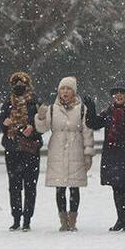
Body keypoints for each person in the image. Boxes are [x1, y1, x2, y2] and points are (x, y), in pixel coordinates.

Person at [84, 81, 125, 232]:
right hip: (112, 154)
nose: (118, 95)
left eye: (122, 92)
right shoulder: (109, 111)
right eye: (116, 92)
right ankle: (121, 219)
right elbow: (93, 123)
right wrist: (91, 108)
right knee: (116, 188)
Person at [35, 77, 94, 231]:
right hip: (57, 153)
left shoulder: (82, 109)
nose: (65, 92)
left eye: (68, 89)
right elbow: (42, 128)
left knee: (74, 188)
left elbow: (87, 132)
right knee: (60, 188)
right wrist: (40, 117)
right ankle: (63, 221)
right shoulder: (53, 109)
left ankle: (72, 221)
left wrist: (88, 153)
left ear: (74, 91)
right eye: (63, 89)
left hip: (76, 151)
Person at [0, 72, 43, 231]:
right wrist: (5, 123)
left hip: (30, 149)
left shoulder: (35, 102)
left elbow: (43, 125)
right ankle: (16, 218)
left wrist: (33, 129)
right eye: (15, 83)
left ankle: (27, 219)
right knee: (14, 185)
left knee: (30, 185)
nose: (18, 87)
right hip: (12, 148)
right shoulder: (8, 102)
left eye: (22, 83)